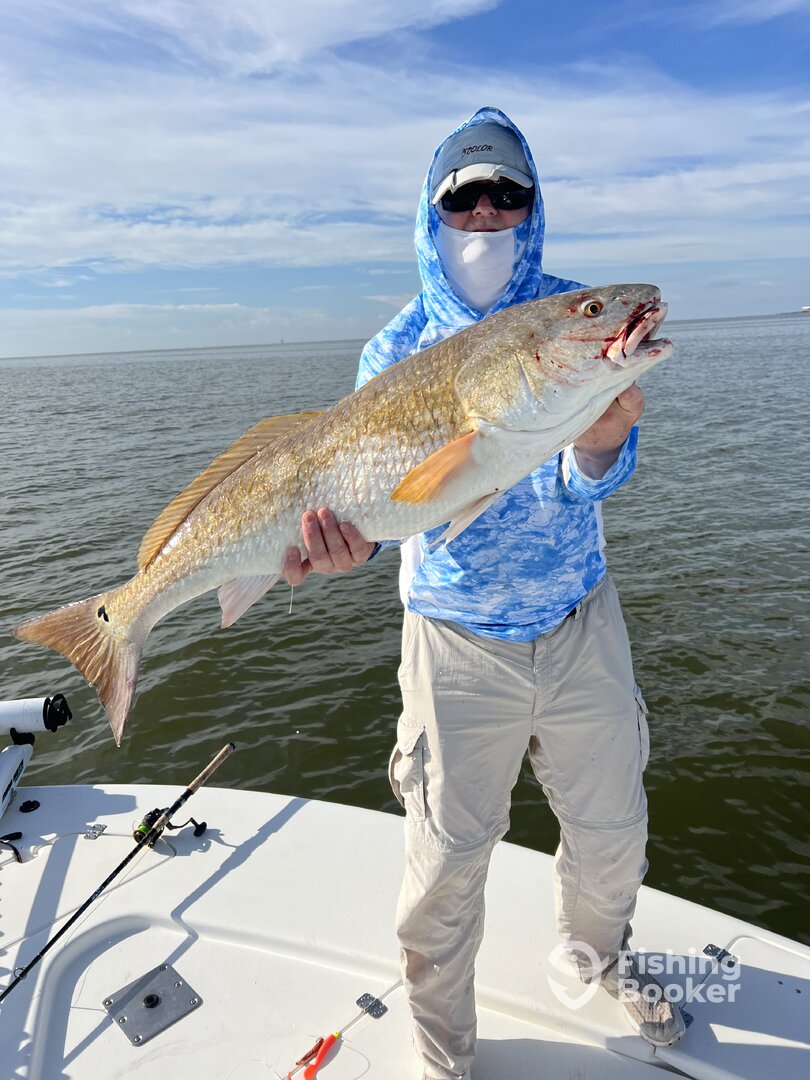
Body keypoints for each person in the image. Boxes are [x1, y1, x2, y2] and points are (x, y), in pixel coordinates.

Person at [283, 107, 684, 1079]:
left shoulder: (568, 318)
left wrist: (601, 443)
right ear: (433, 214)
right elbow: (380, 509)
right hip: (455, 643)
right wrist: (342, 551)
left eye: (510, 193)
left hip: (580, 618)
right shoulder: (394, 353)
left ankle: (599, 961)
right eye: (464, 197)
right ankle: (443, 1054)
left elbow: (589, 477)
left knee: (613, 834)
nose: (488, 213)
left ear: (534, 206)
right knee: (446, 865)